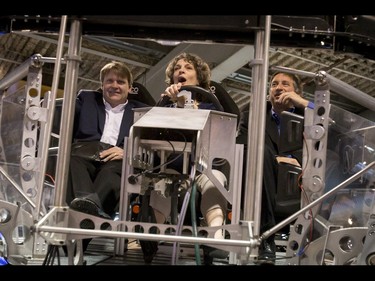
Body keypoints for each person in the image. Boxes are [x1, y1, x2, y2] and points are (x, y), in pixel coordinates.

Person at [140, 52, 229, 264]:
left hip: (204, 168)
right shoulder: (163, 106)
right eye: (178, 68)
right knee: (162, 183)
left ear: (198, 79)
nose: (182, 70)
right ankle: (151, 238)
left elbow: (220, 132)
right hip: (172, 167)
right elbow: (148, 132)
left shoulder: (211, 106)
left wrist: (190, 107)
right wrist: (171, 103)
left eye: (188, 68)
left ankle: (216, 238)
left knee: (216, 181)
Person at [237, 71, 313, 264]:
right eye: (274, 84)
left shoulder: (309, 115)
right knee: (259, 152)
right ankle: (266, 240)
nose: (278, 87)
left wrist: (302, 102)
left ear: (296, 92)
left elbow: (331, 124)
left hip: (299, 180)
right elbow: (242, 145)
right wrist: (275, 159)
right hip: (262, 177)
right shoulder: (254, 114)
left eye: (285, 84)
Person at [66, 61, 149, 227]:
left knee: (111, 174)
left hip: (117, 158)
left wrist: (128, 153)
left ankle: (83, 219)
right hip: (84, 154)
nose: (114, 86)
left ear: (130, 87)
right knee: (70, 161)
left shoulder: (142, 112)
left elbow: (149, 144)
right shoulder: (86, 98)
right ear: (102, 85)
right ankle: (91, 208)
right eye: (109, 81)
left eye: (120, 82)